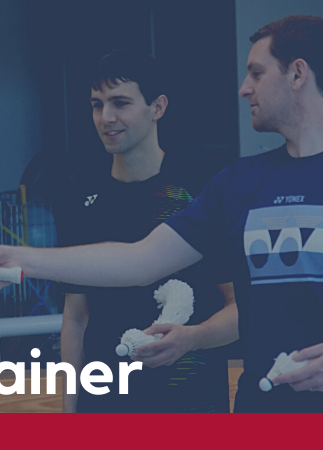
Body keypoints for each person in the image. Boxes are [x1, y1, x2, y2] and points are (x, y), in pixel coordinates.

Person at [0, 15, 323, 413]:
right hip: (260, 413)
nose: (244, 88)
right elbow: (138, 261)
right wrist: (18, 257)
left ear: (297, 74)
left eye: (256, 73)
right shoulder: (238, 184)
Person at [55, 50, 237, 413]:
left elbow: (240, 306)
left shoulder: (199, 192)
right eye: (97, 105)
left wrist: (194, 339)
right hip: (106, 404)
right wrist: (69, 406)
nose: (106, 117)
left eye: (120, 103)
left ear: (158, 107)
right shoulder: (80, 200)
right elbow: (76, 316)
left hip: (190, 403)